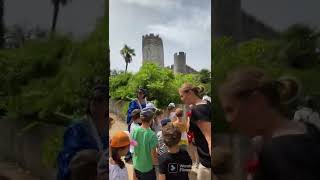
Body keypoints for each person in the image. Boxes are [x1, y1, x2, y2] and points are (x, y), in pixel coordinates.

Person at [218, 67, 320, 180]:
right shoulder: (307, 129)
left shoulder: (279, 152)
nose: (229, 119)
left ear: (256, 101)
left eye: (230, 110)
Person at [57, 85, 108, 180]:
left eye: (99, 99)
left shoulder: (110, 129)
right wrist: (89, 155)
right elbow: (66, 160)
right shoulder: (77, 129)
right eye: (92, 98)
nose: (94, 102)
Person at [179, 83, 212, 180]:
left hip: (207, 164)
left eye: (182, 96)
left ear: (189, 93)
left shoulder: (198, 110)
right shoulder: (207, 104)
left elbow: (210, 138)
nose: (181, 99)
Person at [132, 109, 158, 180]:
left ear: (141, 118)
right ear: (151, 120)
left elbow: (133, 146)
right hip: (147, 168)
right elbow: (153, 155)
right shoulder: (152, 135)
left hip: (136, 164)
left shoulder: (134, 131)